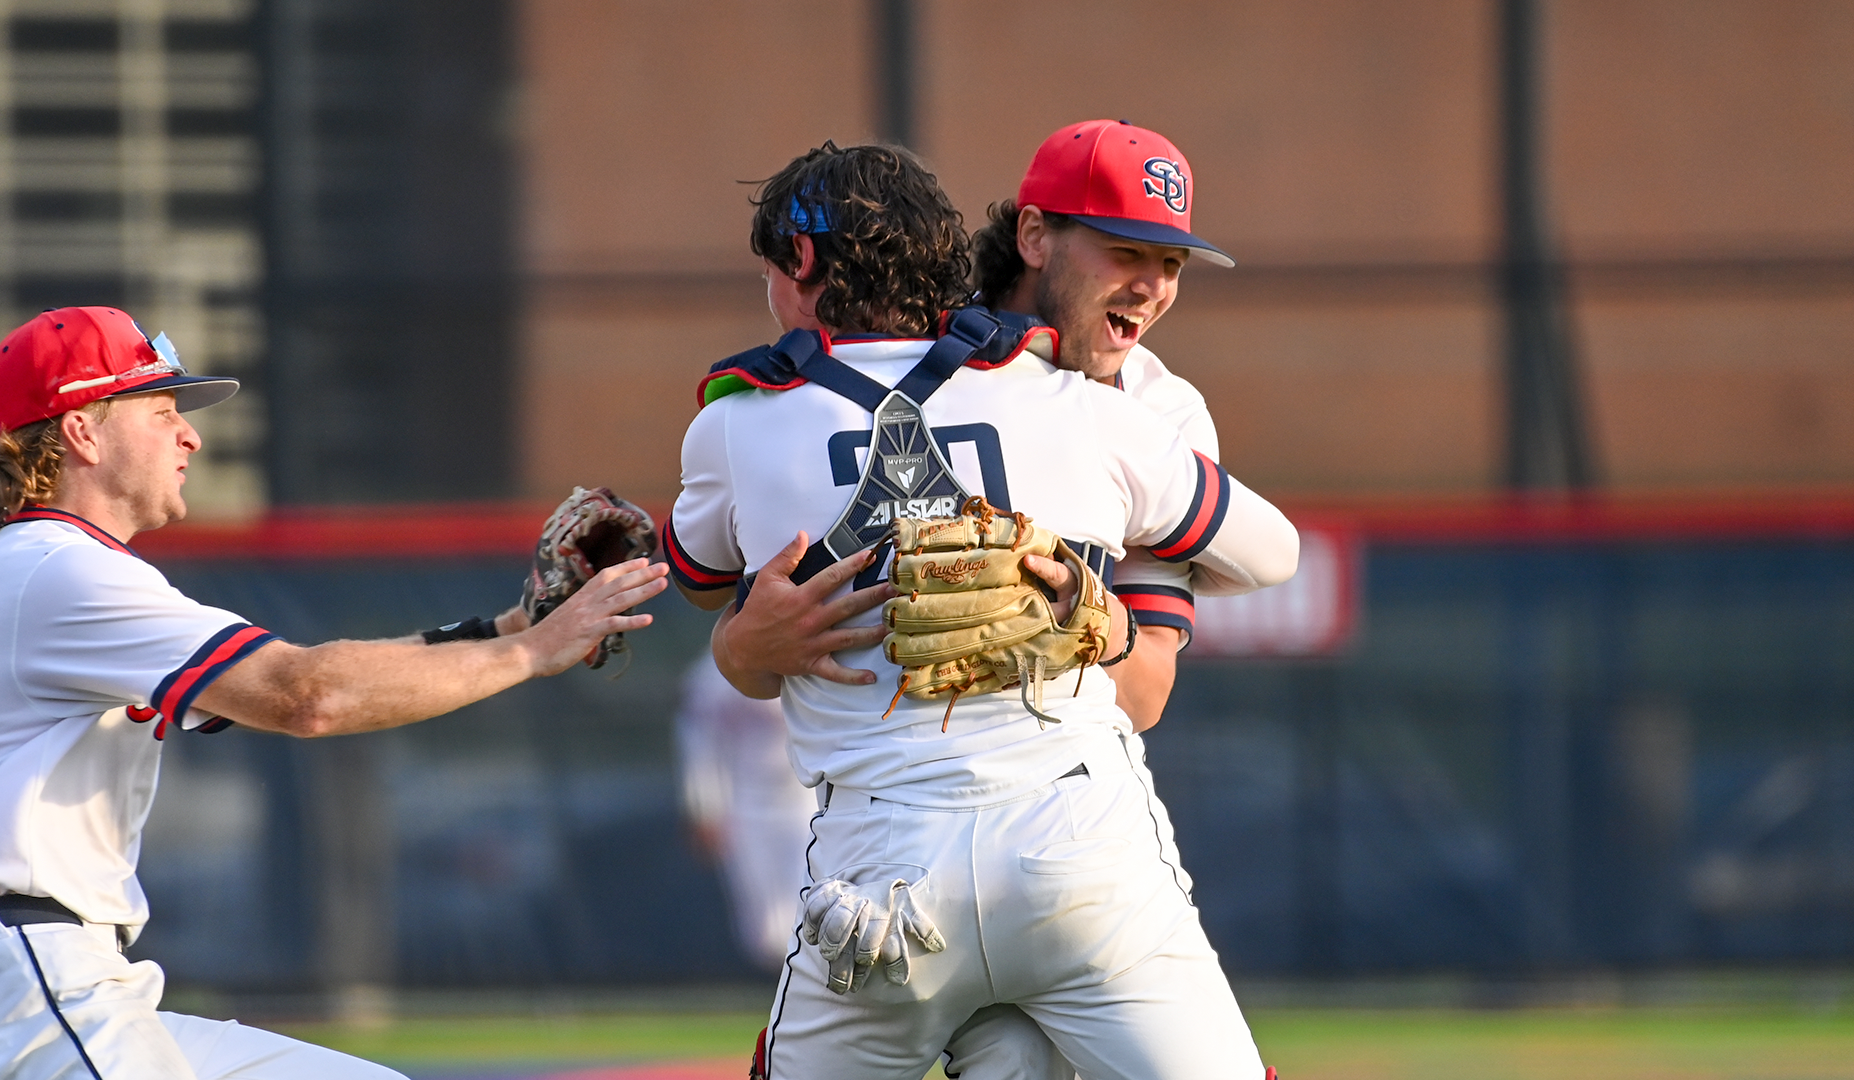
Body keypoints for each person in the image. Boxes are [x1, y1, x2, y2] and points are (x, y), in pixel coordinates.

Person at [666, 142, 1295, 1079]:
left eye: (1167, 262)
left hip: (881, 866)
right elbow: (1275, 553)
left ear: (799, 262)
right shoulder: (1087, 406)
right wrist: (1096, 602)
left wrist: (739, 639)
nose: (1152, 285)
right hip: (1077, 842)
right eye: (1126, 252)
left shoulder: (738, 418)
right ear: (1023, 240)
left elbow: (700, 576)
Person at [0, 307, 669, 1079]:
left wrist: (507, 629)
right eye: (161, 411)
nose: (190, 437)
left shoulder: (44, 568)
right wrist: (529, 651)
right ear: (82, 431)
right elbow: (305, 694)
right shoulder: (60, 570)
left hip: (66, 975)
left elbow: (306, 677)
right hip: (35, 977)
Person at [673, 653, 816, 971]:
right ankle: (789, 985)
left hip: (805, 797)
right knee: (765, 931)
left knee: (811, 903)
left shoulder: (809, 655)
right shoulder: (710, 675)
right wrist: (704, 807)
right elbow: (699, 744)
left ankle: (813, 988)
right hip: (746, 803)